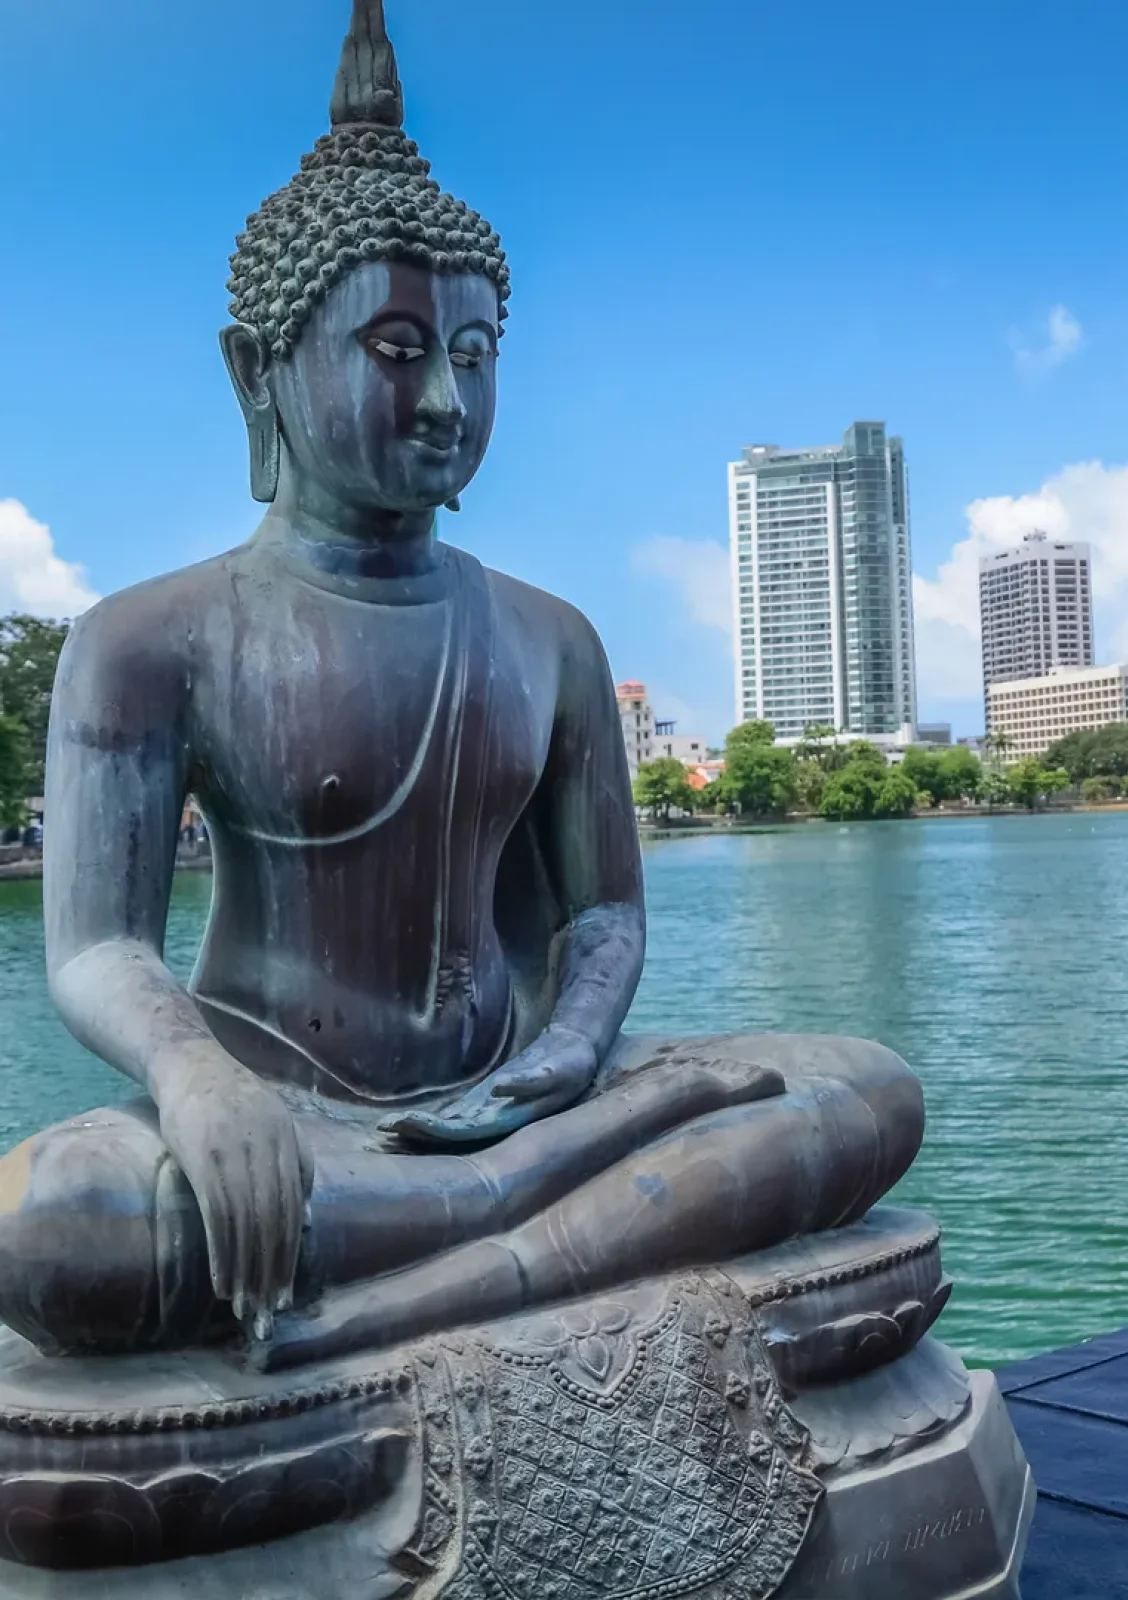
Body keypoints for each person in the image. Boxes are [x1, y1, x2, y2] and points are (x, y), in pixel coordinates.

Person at [0, 1, 921, 1366]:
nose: (446, 400)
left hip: (526, 1107)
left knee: (865, 1094)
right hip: (284, 1122)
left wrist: (567, 1058)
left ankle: (418, 1289)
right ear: (259, 369)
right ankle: (544, 1243)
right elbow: (94, 947)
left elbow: (600, 914)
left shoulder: (551, 639)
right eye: (397, 350)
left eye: (476, 357)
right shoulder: (153, 639)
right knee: (64, 1225)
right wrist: (193, 1079)